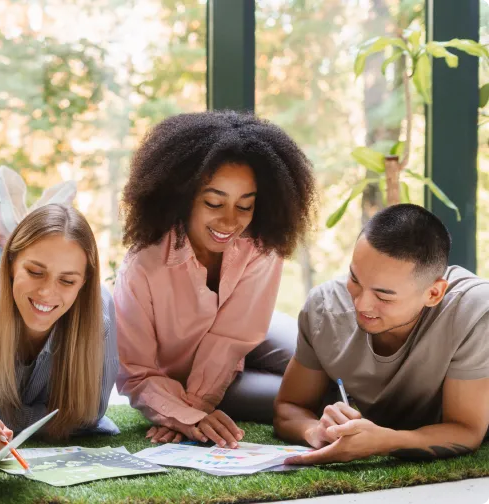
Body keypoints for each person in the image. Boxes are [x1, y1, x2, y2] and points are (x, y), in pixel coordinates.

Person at [115, 111, 317, 448]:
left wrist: (191, 411)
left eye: (245, 206)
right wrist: (183, 412)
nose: (229, 221)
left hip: (245, 339)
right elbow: (136, 371)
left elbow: (234, 334)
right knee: (307, 398)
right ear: (183, 198)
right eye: (213, 202)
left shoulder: (261, 244)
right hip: (183, 378)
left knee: (323, 364)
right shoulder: (143, 266)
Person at [274, 204, 489, 465]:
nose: (361, 305)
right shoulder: (325, 307)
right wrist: (315, 430)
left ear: (434, 293)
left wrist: (384, 441)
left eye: (383, 295)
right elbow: (288, 407)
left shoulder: (472, 311)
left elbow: (466, 430)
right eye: (354, 279)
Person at [0, 204, 120, 460]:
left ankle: (5, 223)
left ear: (84, 283)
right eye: (35, 272)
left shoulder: (98, 311)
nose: (47, 292)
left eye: (67, 281)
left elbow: (86, 415)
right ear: (11, 262)